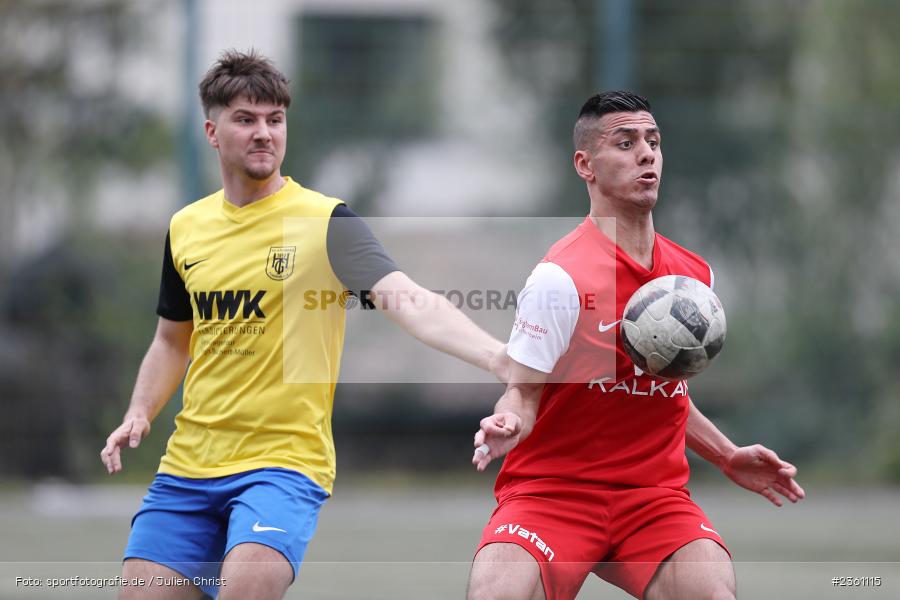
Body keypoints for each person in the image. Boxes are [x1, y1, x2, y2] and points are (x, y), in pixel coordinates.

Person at [100, 49, 506, 600]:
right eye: (246, 119)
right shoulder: (186, 228)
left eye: (275, 119)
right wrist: (140, 411)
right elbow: (173, 340)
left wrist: (497, 358)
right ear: (212, 131)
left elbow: (409, 300)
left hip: (282, 467)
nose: (264, 133)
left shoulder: (325, 222)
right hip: (188, 467)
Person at [467, 91, 805, 600]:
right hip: (553, 495)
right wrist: (508, 420)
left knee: (714, 594)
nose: (646, 154)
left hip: (654, 501)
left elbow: (663, 393)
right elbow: (524, 394)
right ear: (585, 165)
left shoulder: (693, 280)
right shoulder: (559, 279)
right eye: (625, 143)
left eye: (653, 141)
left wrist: (727, 454)